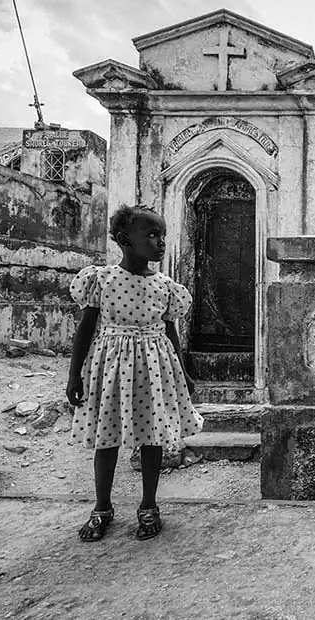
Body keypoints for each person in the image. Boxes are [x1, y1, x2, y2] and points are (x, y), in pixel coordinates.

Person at [65, 205, 203, 541]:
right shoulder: (102, 280)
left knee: (152, 435)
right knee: (106, 435)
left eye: (163, 236)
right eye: (152, 234)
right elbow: (86, 329)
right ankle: (102, 507)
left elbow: (170, 332)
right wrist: (75, 374)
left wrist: (183, 373)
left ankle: (149, 505)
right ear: (125, 239)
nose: (160, 242)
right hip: (111, 367)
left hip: (154, 368)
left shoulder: (166, 287)